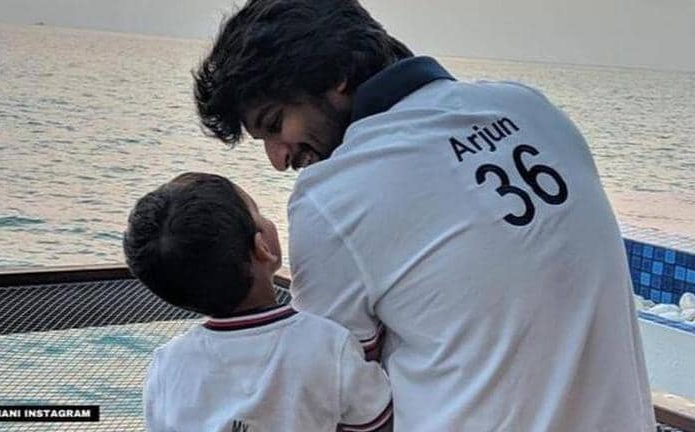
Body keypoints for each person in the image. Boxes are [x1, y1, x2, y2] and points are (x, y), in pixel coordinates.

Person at [193, 1, 656, 431]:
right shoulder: (528, 106)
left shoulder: (332, 195)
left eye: (275, 124)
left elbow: (329, 393)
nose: (278, 158)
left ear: (335, 75)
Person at [123, 172, 393, 432]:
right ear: (262, 246)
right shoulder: (328, 345)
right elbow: (379, 422)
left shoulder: (167, 365)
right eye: (258, 213)